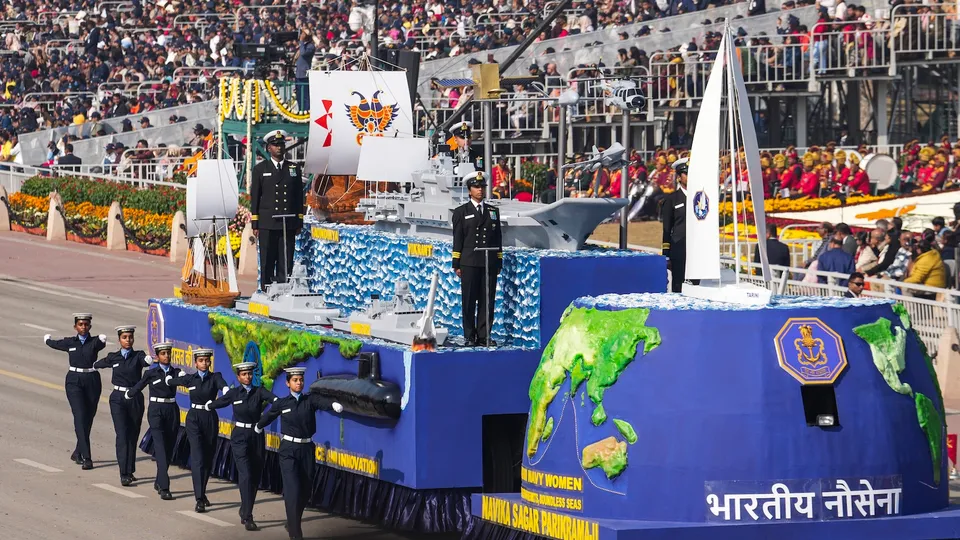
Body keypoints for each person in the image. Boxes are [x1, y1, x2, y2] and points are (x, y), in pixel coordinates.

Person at [256, 367, 343, 540]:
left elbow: (320, 401)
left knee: (305, 490)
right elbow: (269, 416)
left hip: (306, 448)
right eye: (295, 380)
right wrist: (258, 427)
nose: (299, 383)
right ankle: (296, 533)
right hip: (288, 449)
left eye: (301, 380)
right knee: (292, 488)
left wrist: (333, 405)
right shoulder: (282, 403)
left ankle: (292, 520)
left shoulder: (309, 400)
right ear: (288, 383)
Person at [207, 362, 277, 531]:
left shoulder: (259, 391)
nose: (247, 377)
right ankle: (248, 517)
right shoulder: (234, 393)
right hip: (239, 437)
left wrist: (264, 421)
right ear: (238, 377)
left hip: (256, 435)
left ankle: (245, 509)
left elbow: (276, 402)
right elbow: (219, 402)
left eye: (249, 374)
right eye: (244, 374)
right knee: (245, 474)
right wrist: (207, 405)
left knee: (254, 476)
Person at [167, 349, 228, 513]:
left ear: (209, 362)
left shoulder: (215, 377)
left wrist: (225, 390)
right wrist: (169, 379)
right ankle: (199, 498)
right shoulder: (190, 378)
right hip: (193, 418)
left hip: (209, 418)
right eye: (201, 360)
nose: (204, 363)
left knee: (208, 458)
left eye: (206, 361)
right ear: (196, 363)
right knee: (198, 456)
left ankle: (203, 491)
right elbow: (172, 382)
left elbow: (222, 385)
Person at [44, 313, 106, 470]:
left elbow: (102, 342)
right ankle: (87, 457)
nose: (83, 327)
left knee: (89, 417)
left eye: (86, 324)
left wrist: (103, 338)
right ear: (75, 327)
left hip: (92, 380)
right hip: (74, 381)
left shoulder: (95, 342)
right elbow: (55, 344)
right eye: (80, 324)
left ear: (90, 326)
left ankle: (78, 451)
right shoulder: (70, 342)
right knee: (79, 415)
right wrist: (47, 339)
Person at [93, 325, 152, 486]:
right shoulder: (114, 357)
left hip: (134, 397)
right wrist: (91, 365)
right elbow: (98, 364)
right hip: (118, 398)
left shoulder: (138, 356)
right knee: (122, 434)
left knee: (133, 434)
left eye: (130, 337)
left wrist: (148, 359)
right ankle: (123, 473)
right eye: (125, 337)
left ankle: (130, 469)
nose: (128, 340)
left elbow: (146, 361)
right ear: (119, 339)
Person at [452, 171, 503, 347]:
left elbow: (497, 238)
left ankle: (484, 335)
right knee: (469, 300)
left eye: (482, 187)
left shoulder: (492, 211)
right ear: (469, 190)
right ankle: (469, 335)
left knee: (487, 301)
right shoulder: (461, 212)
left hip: (488, 262)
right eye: (476, 187)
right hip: (469, 261)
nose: (480, 190)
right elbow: (457, 238)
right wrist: (456, 263)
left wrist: (499, 260)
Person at [126, 341, 182, 501]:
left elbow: (186, 382)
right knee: (161, 447)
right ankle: (165, 487)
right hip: (156, 410)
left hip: (172, 410)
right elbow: (140, 385)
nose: (167, 356)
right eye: (163, 354)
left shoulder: (176, 372)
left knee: (169, 448)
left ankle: (159, 480)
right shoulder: (151, 373)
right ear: (157, 356)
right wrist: (129, 394)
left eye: (168, 353)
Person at [250, 129, 305, 289]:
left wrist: (299, 220)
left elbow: (298, 196)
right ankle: (266, 288)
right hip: (268, 221)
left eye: (281, 144)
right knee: (267, 258)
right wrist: (255, 223)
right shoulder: (261, 169)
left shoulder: (293, 168)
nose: (279, 148)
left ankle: (283, 287)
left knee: (286, 258)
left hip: (288, 221)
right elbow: (255, 197)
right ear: (268, 148)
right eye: (275, 145)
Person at [661, 158, 694, 293]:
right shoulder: (672, 199)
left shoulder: (699, 197)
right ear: (679, 177)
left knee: (696, 286)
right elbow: (667, 228)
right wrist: (666, 254)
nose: (690, 176)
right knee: (678, 285)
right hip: (679, 249)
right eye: (686, 173)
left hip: (696, 250)